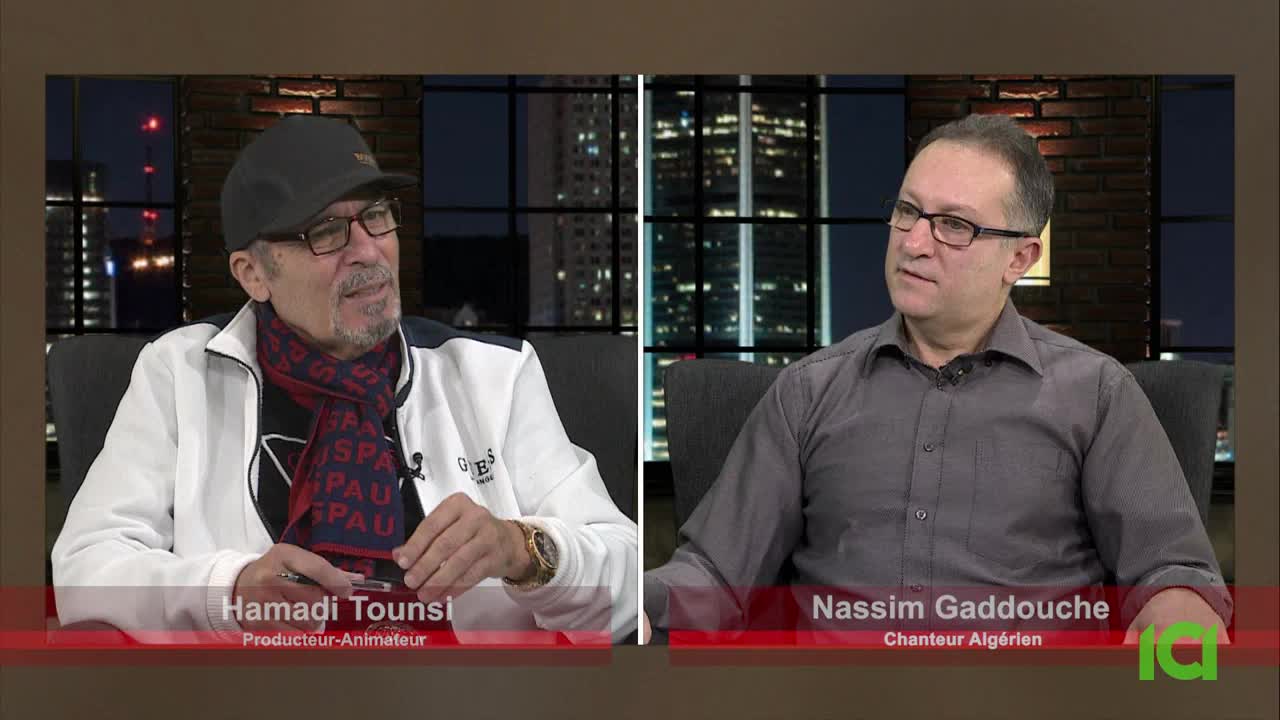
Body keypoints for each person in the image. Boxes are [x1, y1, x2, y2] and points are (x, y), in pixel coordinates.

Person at [643, 114, 1230, 641]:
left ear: (1020, 259)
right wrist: (627, 605)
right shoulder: (808, 392)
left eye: (954, 225)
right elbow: (716, 576)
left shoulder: (1096, 395)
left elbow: (1172, 572)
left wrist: (1180, 614)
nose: (915, 243)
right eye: (907, 211)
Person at [52, 115, 637, 642]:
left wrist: (522, 548)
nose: (368, 251)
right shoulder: (178, 373)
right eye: (326, 231)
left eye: (376, 216)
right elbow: (86, 568)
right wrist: (228, 593)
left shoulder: (495, 376)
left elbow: (628, 576)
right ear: (253, 273)